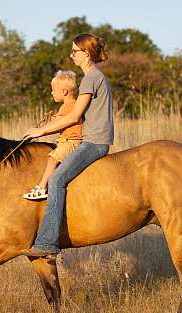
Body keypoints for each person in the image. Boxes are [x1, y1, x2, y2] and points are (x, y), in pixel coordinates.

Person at [20, 33, 114, 258]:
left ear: (86, 53)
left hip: (94, 142)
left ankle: (47, 243)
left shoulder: (91, 78)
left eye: (74, 51)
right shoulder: (94, 77)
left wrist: (40, 131)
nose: (71, 55)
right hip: (94, 139)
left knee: (56, 178)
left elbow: (74, 116)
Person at [23, 70, 83, 200]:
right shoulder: (71, 105)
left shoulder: (69, 106)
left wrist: (40, 130)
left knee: (52, 159)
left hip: (71, 141)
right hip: (67, 140)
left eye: (54, 90)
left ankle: (42, 187)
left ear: (64, 92)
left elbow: (58, 125)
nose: (51, 92)